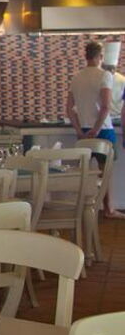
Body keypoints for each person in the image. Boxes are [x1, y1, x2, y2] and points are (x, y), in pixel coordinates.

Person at [67, 41, 123, 219]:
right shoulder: (104, 75)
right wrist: (96, 130)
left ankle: (82, 209)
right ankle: (108, 209)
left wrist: (79, 130)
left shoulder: (76, 77)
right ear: (100, 57)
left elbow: (69, 109)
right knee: (105, 172)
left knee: (84, 172)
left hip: (83, 130)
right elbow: (105, 107)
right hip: (103, 131)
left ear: (86, 56)